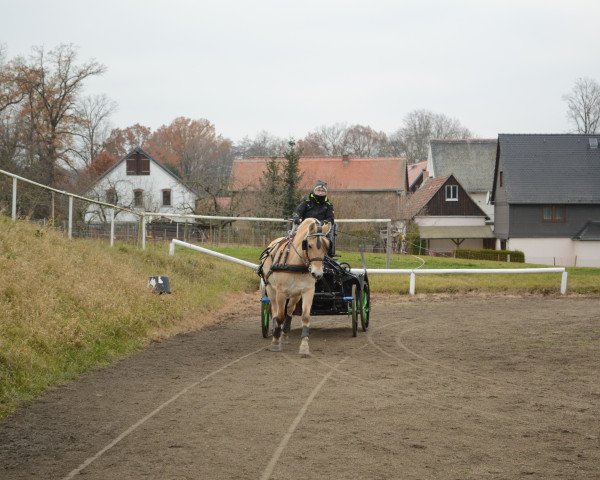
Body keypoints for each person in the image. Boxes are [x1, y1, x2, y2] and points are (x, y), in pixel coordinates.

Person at [292, 180, 336, 255]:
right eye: (318, 190)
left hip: (321, 228)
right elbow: (297, 211)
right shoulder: (307, 201)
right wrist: (296, 217)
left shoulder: (328, 205)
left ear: (325, 192)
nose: (320, 192)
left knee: (328, 238)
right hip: (306, 227)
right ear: (314, 190)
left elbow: (330, 219)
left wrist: (321, 224)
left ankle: (327, 254)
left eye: (322, 191)